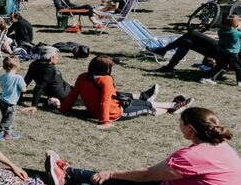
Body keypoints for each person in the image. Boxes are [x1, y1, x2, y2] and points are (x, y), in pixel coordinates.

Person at [46, 107, 241, 185]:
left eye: (180, 122)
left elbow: (147, 175)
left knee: (118, 184)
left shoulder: (195, 155)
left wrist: (112, 173)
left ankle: (67, 175)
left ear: (189, 128)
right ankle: (72, 173)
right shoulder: (224, 148)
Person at [59, 55, 192, 129]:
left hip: (103, 109)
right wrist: (104, 121)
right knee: (147, 108)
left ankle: (172, 105)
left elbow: (73, 94)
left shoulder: (83, 76)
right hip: (114, 113)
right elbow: (104, 101)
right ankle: (173, 108)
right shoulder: (106, 80)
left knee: (143, 102)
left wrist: (64, 108)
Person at [201, 15, 241, 86]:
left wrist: (235, 27)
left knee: (219, 66)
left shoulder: (221, 31)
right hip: (232, 53)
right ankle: (239, 82)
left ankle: (206, 77)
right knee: (238, 67)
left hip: (222, 51)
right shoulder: (236, 34)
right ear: (236, 24)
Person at [0, 56, 25, 141]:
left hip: (2, 101)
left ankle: (8, 133)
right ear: (16, 66)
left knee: (6, 117)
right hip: (10, 103)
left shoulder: (3, 76)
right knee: (8, 120)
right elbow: (23, 89)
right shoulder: (18, 78)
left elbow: (2, 86)